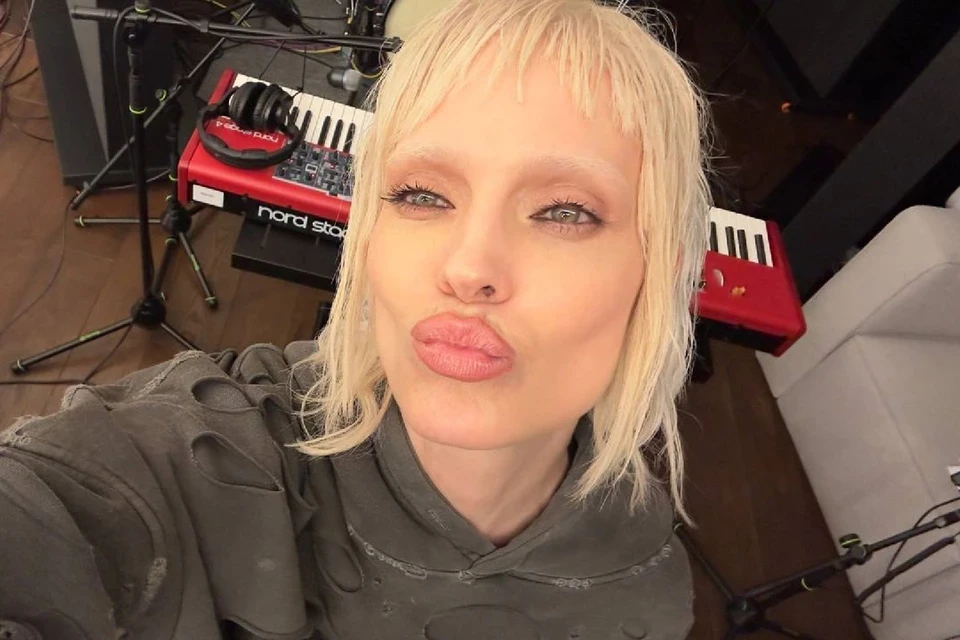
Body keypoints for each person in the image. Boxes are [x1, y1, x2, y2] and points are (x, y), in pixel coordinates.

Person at [0, 0, 711, 637]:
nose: (468, 267)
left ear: (665, 271)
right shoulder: (211, 454)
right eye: (422, 195)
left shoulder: (650, 585)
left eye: (565, 211)